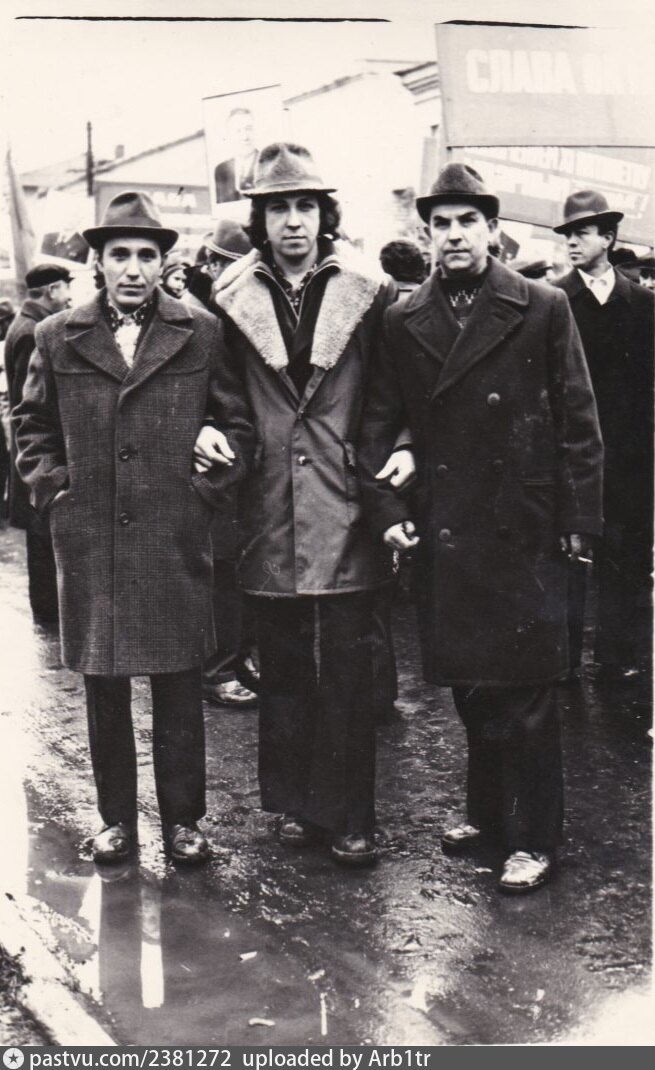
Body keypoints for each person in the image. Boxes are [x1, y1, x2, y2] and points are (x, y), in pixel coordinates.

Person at [358, 163, 603, 893]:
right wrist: (390, 510)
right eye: (442, 223)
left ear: (492, 229)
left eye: (468, 221)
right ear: (426, 234)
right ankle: (488, 814)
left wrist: (579, 519)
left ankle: (533, 838)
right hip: (448, 523)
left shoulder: (541, 304)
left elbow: (577, 417)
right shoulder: (403, 318)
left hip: (523, 523)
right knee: (471, 685)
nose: (455, 235)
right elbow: (381, 420)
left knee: (526, 690)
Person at [14, 191, 253, 866]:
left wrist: (207, 490)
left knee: (178, 681)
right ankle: (116, 819)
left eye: (146, 255)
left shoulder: (200, 330)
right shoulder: (57, 334)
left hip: (172, 532)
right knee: (104, 684)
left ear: (162, 262)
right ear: (98, 261)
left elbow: (237, 423)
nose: (133, 268)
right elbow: (30, 426)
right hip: (93, 533)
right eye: (119, 254)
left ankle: (184, 822)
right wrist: (57, 492)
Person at [194, 142, 413, 866]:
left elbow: (391, 394)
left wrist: (393, 458)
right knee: (283, 665)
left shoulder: (369, 291)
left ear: (325, 214)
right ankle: (295, 805)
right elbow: (220, 397)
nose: (293, 221)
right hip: (267, 505)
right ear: (259, 218)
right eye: (279, 207)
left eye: (306, 206)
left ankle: (350, 816)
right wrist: (213, 437)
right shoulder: (227, 299)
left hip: (346, 499)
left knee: (348, 667)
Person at [553, 190, 654, 680]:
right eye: (568, 234)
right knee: (567, 551)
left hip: (631, 455)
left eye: (582, 232)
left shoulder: (643, 304)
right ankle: (563, 658)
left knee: (626, 552)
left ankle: (618, 657)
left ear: (608, 238)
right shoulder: (553, 301)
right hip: (572, 452)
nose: (572, 242)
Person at [201, 220, 260, 708]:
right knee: (220, 573)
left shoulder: (238, 308)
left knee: (237, 570)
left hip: (248, 463)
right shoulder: (203, 316)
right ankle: (219, 669)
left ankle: (237, 658)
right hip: (218, 470)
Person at [4, 265, 73, 623]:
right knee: (43, 534)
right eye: (65, 288)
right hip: (33, 452)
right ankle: (47, 614)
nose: (69, 296)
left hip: (25, 450)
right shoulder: (35, 331)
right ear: (52, 289)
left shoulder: (24, 322)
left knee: (40, 535)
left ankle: (45, 611)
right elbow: (30, 401)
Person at [214, 107, 260, 204]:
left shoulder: (268, 165)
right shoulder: (221, 171)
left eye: (248, 129)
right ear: (229, 135)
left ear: (255, 131)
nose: (245, 137)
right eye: (238, 131)